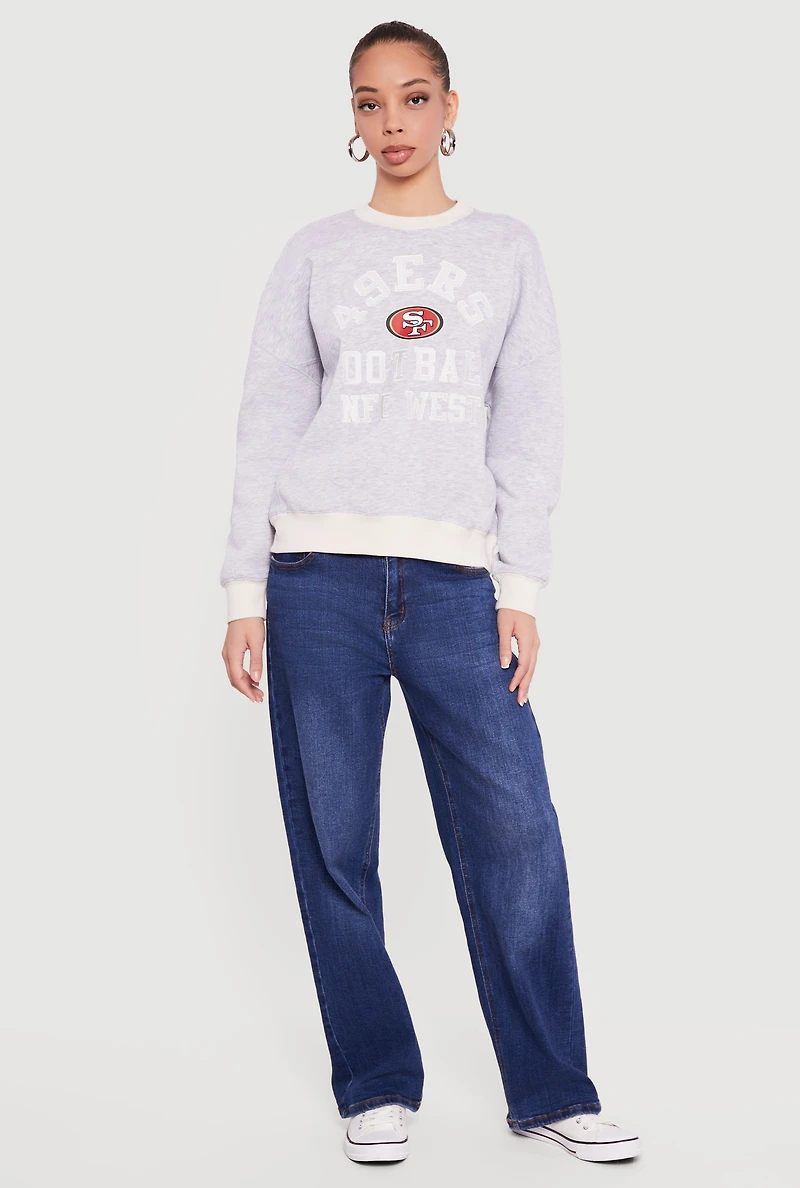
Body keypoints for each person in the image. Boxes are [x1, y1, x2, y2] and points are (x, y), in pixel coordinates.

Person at [219, 20, 641, 1166]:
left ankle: (550, 1089)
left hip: (458, 587)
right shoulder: (316, 252)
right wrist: (244, 591)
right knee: (335, 842)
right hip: (315, 580)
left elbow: (529, 423)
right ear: (350, 120)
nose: (392, 122)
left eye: (413, 98)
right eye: (369, 102)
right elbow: (267, 421)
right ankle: (374, 1081)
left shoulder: (503, 248)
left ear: (450, 108)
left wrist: (522, 585)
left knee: (514, 834)